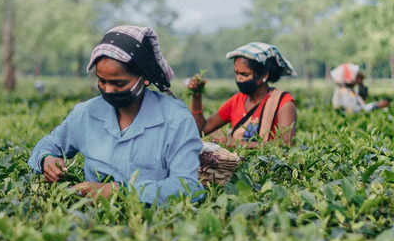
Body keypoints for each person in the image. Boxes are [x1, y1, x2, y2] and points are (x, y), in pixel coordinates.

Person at [28, 25, 204, 204]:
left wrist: (117, 191)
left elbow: (189, 187)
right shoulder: (86, 114)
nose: (108, 90)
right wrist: (46, 160)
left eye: (119, 83)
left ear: (145, 77)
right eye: (102, 81)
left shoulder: (176, 119)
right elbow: (48, 145)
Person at [187, 42, 297, 147]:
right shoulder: (237, 100)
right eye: (236, 73)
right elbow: (202, 129)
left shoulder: (283, 103)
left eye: (244, 74)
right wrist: (197, 96)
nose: (239, 79)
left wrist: (236, 143)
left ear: (263, 75)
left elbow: (285, 145)